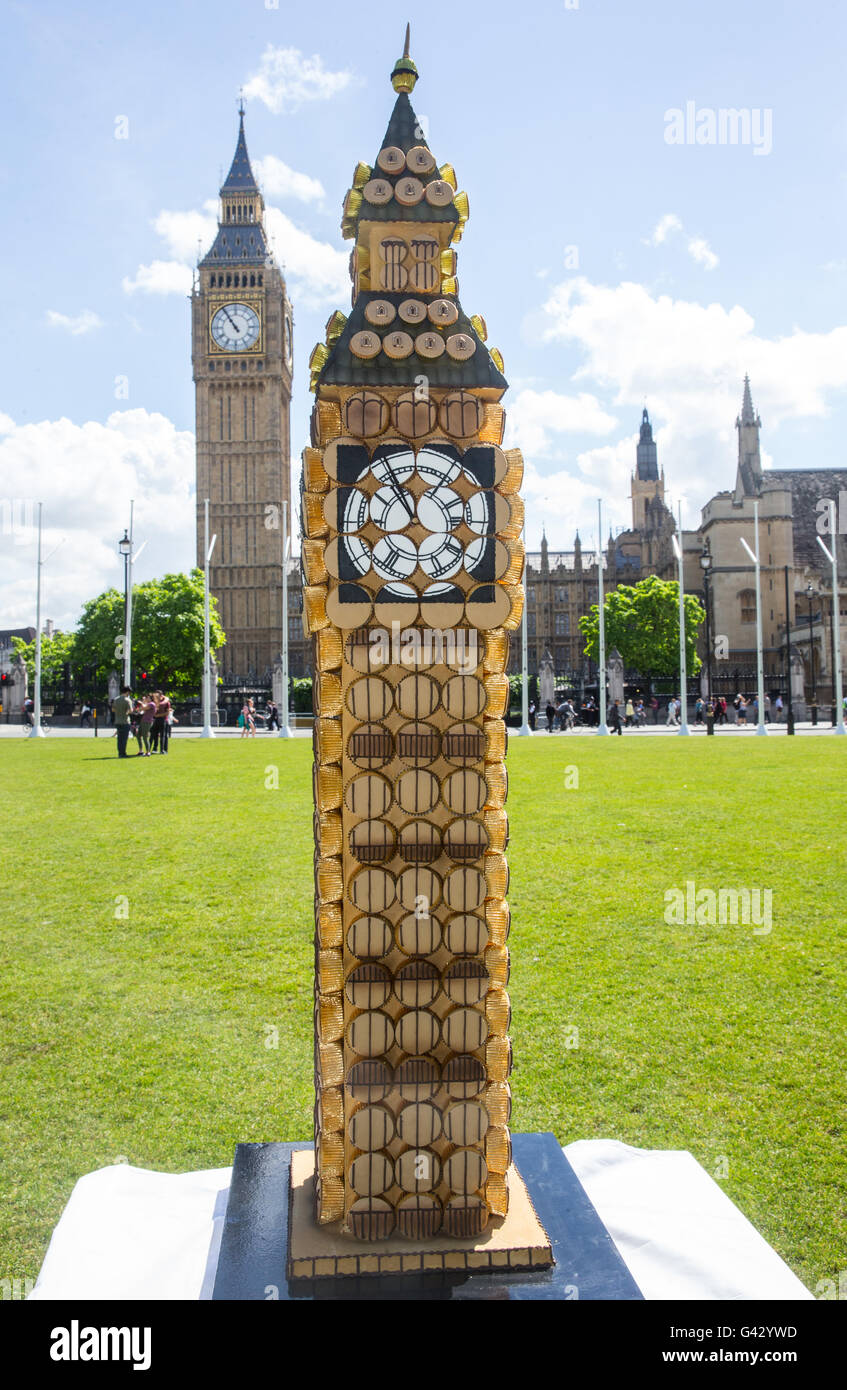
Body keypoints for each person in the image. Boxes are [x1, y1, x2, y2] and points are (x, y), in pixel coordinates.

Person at [113, 684, 133, 758]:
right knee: (124, 738)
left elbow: (113, 709)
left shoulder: (116, 699)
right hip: (125, 721)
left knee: (119, 738)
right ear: (127, 692)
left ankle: (120, 753)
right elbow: (130, 710)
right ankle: (123, 753)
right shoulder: (127, 700)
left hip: (117, 721)